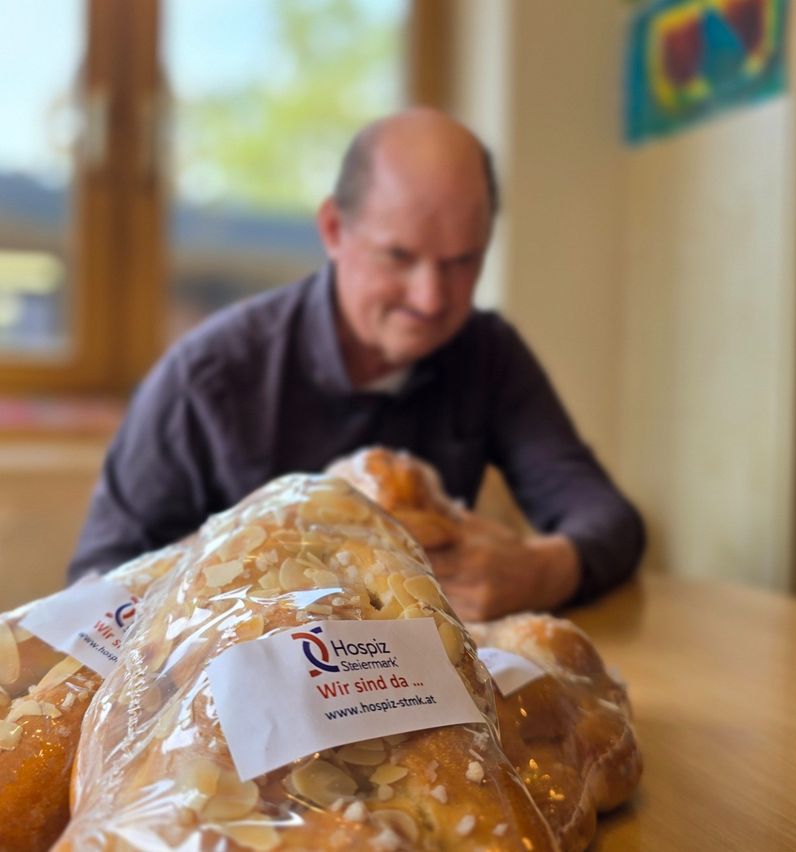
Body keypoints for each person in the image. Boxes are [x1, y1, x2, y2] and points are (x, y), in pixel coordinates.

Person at [68, 108, 644, 621]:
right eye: (399, 257)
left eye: (461, 263)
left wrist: (542, 569)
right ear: (334, 230)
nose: (431, 299)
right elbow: (97, 589)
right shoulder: (210, 375)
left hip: (416, 701)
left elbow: (607, 517)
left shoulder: (485, 352)